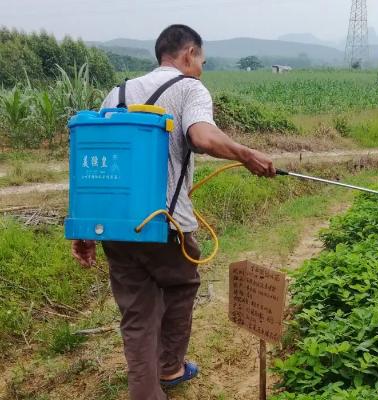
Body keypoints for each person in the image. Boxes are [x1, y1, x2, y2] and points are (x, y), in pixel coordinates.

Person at [71, 24, 276, 400]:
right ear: (188, 55)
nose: (201, 67)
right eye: (201, 60)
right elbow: (201, 136)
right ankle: (170, 368)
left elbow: (96, 168)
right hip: (166, 226)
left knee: (136, 313)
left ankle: (145, 391)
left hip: (116, 227)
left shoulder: (115, 94)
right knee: (181, 287)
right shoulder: (189, 88)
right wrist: (247, 155)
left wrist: (85, 232)